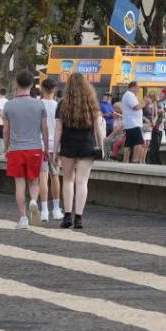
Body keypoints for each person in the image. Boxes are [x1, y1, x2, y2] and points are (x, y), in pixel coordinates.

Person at [3, 70, 51, 230]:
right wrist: (46, 147)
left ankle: (23, 217)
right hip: (35, 148)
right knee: (34, 181)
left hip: (16, 149)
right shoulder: (39, 104)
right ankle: (33, 201)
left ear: (17, 84)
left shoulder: (9, 105)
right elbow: (45, 129)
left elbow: (6, 130)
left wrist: (6, 148)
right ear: (32, 85)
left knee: (19, 184)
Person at [57, 72, 103, 229]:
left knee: (68, 179)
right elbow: (98, 129)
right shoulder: (91, 103)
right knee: (82, 181)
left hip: (68, 145)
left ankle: (67, 215)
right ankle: (79, 218)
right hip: (87, 145)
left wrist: (54, 149)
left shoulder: (62, 104)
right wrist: (102, 147)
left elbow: (58, 129)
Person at [37, 74, 63, 223]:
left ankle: (44, 210)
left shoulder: (37, 104)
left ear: (42, 88)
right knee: (55, 177)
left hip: (40, 145)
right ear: (55, 89)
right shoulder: (58, 105)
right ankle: (56, 209)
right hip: (55, 145)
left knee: (42, 177)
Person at [120, 81, 146, 163]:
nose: (139, 89)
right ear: (133, 87)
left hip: (131, 123)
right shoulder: (129, 95)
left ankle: (126, 161)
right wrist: (145, 102)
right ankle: (135, 160)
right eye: (138, 87)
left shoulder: (130, 95)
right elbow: (136, 107)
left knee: (129, 144)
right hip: (133, 123)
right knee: (138, 142)